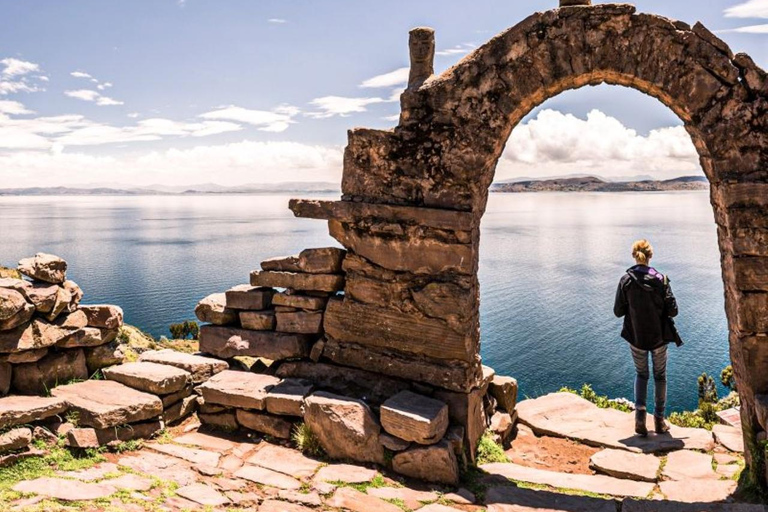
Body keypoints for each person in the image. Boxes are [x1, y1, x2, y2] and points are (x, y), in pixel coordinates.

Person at [614, 239, 679, 436]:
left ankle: (640, 419)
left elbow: (618, 311)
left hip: (636, 337)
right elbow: (673, 311)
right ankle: (659, 421)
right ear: (650, 256)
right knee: (660, 376)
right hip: (659, 338)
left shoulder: (626, 280)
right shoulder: (661, 279)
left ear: (634, 255)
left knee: (641, 374)